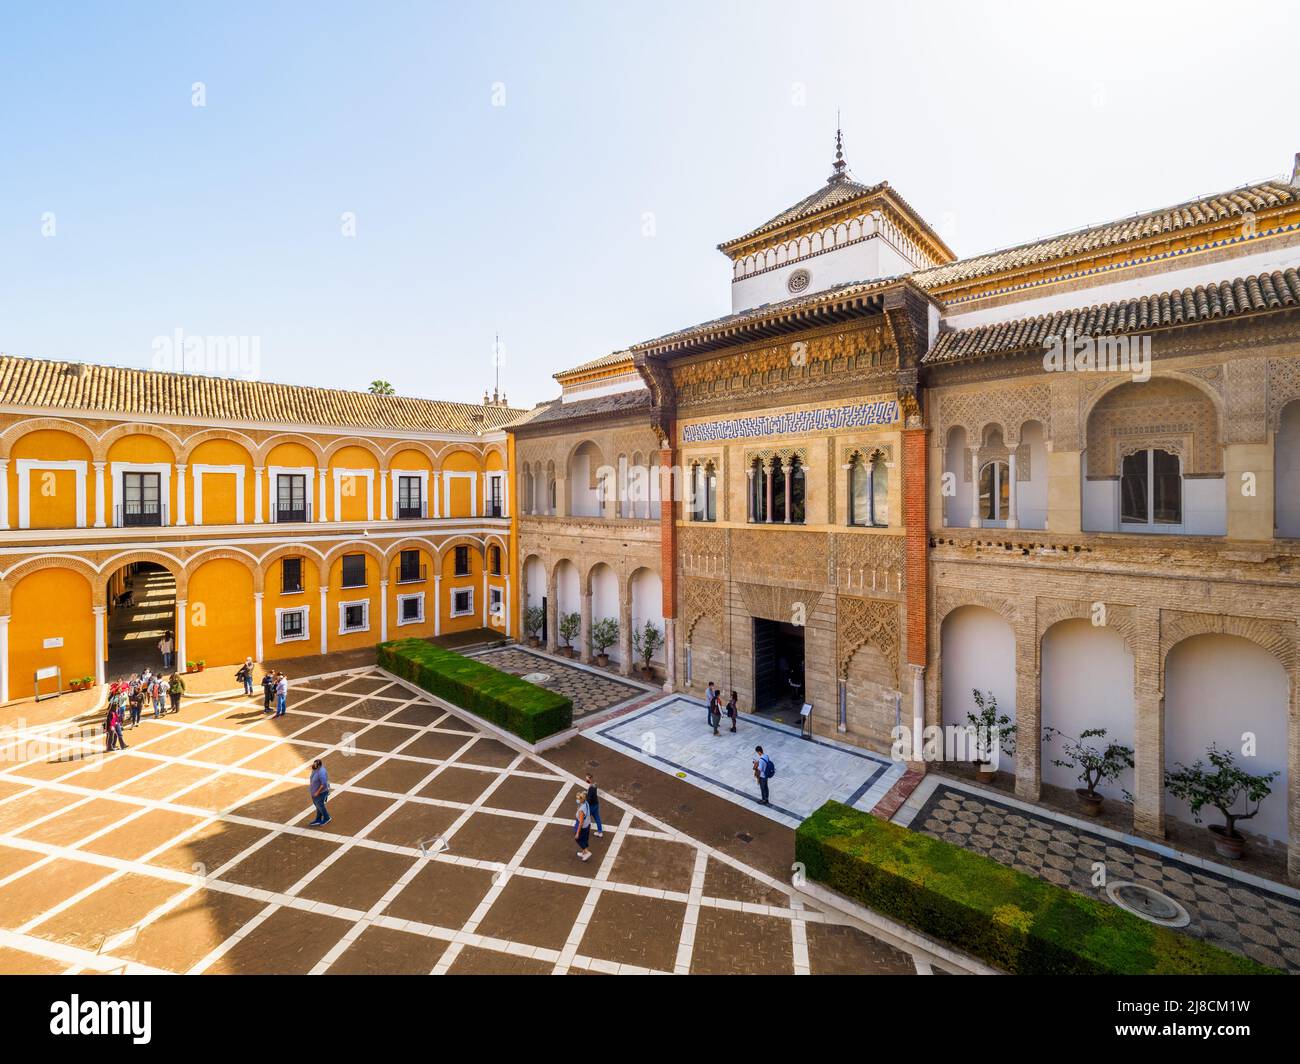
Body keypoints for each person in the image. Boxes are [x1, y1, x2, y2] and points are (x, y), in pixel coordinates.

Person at [308, 759, 331, 827]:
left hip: (321, 793)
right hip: (314, 792)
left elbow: (323, 784)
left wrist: (317, 792)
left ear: (318, 765)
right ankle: (318, 819)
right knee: (318, 806)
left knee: (320, 805)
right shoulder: (315, 770)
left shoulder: (321, 772)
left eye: (315, 764)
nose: (313, 765)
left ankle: (327, 818)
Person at [573, 791, 593, 862]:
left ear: (581, 800)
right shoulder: (586, 803)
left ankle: (587, 852)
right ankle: (584, 853)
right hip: (588, 824)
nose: (577, 800)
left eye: (578, 799)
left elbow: (581, 823)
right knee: (584, 838)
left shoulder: (581, 811)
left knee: (578, 839)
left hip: (583, 826)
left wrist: (578, 833)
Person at [585, 774, 604, 839]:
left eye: (587, 778)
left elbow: (589, 799)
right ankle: (600, 832)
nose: (586, 779)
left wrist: (585, 797)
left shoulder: (591, 788)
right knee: (597, 818)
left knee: (585, 818)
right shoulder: (594, 785)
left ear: (589, 779)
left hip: (591, 807)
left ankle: (582, 831)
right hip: (596, 804)